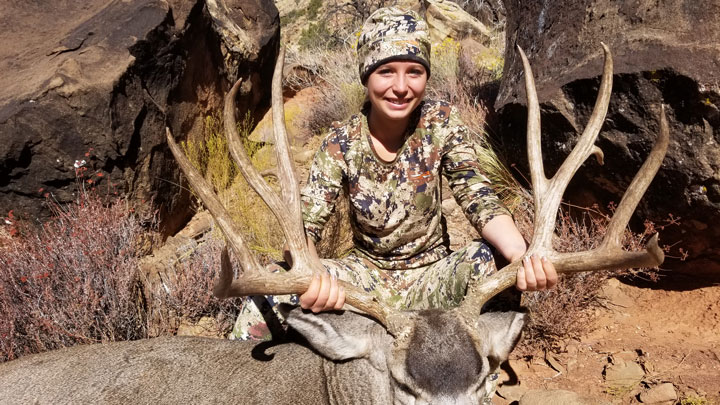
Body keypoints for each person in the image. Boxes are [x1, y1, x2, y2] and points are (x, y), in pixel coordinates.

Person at [232, 6, 556, 339]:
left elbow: (477, 196)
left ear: (426, 76)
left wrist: (522, 255)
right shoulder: (341, 142)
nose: (400, 87)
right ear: (366, 75)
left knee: (497, 262)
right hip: (363, 284)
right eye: (386, 71)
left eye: (414, 71)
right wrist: (315, 277)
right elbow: (304, 228)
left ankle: (475, 378)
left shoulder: (440, 122)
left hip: (432, 279)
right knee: (272, 285)